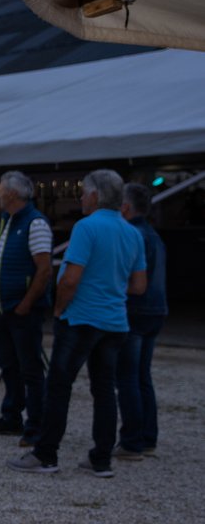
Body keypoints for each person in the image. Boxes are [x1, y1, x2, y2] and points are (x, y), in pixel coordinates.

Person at [9, 170, 146, 478]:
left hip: (81, 318)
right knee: (104, 390)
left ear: (95, 196)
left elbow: (71, 278)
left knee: (58, 387)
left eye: (83, 192)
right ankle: (101, 459)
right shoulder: (132, 232)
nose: (80, 198)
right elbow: (139, 285)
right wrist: (110, 287)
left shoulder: (87, 227)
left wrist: (59, 309)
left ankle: (46, 454)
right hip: (115, 321)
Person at [0, 171, 53, 445]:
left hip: (21, 309)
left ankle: (36, 424)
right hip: (2, 307)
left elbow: (44, 270)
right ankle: (12, 416)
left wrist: (26, 303)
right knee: (9, 365)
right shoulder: (7, 220)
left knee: (30, 368)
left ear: (11, 193)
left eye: (0, 190)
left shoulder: (35, 223)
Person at [115, 182, 167, 459]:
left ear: (125, 207)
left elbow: (131, 278)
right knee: (142, 376)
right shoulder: (153, 234)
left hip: (135, 310)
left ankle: (132, 441)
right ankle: (147, 436)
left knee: (127, 377)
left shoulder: (132, 235)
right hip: (155, 310)